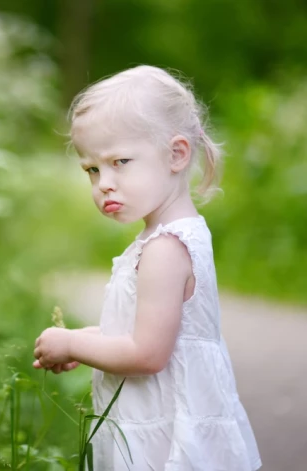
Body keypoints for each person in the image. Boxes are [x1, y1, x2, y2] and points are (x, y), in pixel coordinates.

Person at [32, 65, 262, 470]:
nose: (103, 182)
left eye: (119, 161)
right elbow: (144, 331)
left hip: (164, 433)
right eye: (92, 169)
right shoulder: (169, 236)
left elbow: (147, 353)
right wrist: (86, 341)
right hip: (158, 415)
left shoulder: (166, 248)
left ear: (176, 154)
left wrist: (71, 344)